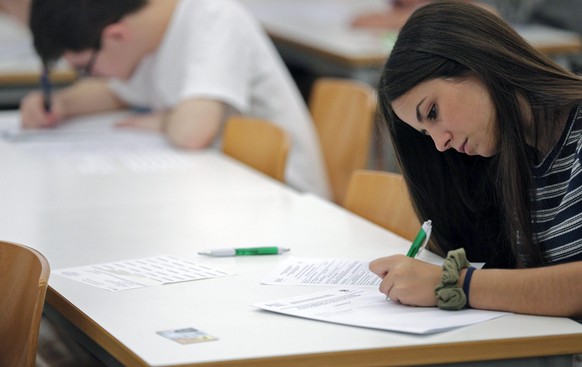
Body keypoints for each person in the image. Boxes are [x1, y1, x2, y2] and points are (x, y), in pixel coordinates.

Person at [370, 1, 582, 317]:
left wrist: (457, 284)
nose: (440, 144)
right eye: (427, 133)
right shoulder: (517, 159)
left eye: (433, 112)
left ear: (475, 61)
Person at [21, 0, 331, 199]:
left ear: (116, 36)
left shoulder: (214, 16)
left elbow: (192, 132)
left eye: (85, 68)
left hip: (285, 198)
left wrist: (165, 120)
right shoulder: (149, 35)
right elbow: (117, 91)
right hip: (225, 189)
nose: (94, 77)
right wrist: (61, 104)